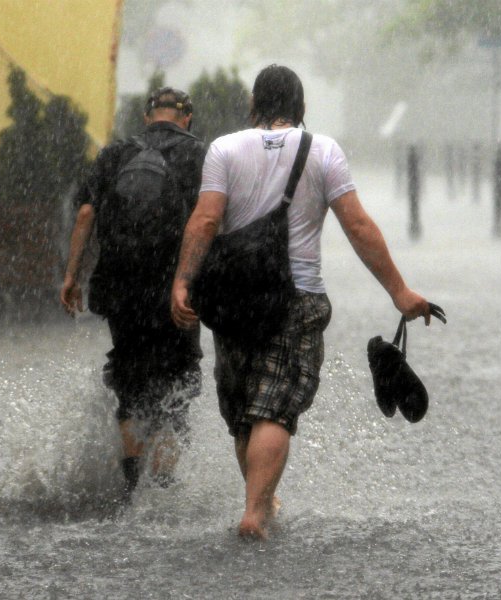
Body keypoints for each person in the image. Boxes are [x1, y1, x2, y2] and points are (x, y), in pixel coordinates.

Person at [170, 65, 433, 539]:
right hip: (296, 297)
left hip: (234, 301)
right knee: (275, 407)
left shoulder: (224, 149)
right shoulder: (323, 151)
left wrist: (182, 282)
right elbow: (358, 226)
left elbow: (205, 221)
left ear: (253, 105)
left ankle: (260, 501)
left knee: (245, 409)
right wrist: (399, 290)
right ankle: (254, 511)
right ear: (302, 108)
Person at [60, 87, 206, 504]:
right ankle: (160, 488)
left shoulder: (115, 153)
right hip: (174, 287)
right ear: (187, 118)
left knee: (129, 376)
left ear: (147, 117)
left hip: (119, 285)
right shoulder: (200, 156)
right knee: (178, 379)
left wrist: (71, 276)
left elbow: (86, 213)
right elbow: (209, 219)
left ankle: (128, 483)